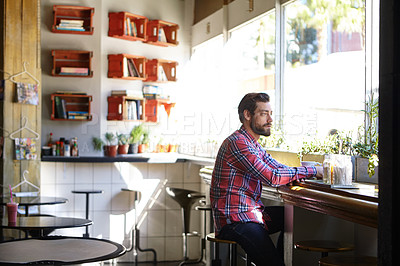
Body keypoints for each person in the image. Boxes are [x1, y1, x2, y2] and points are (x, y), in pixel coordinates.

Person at [210, 92, 323, 266]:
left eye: (270, 114)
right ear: (247, 115)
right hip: (235, 221)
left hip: (250, 215)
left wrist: (307, 172)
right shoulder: (238, 143)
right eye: (264, 114)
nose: (270, 119)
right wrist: (313, 170)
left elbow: (277, 168)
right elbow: (271, 176)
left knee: (291, 217)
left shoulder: (253, 144)